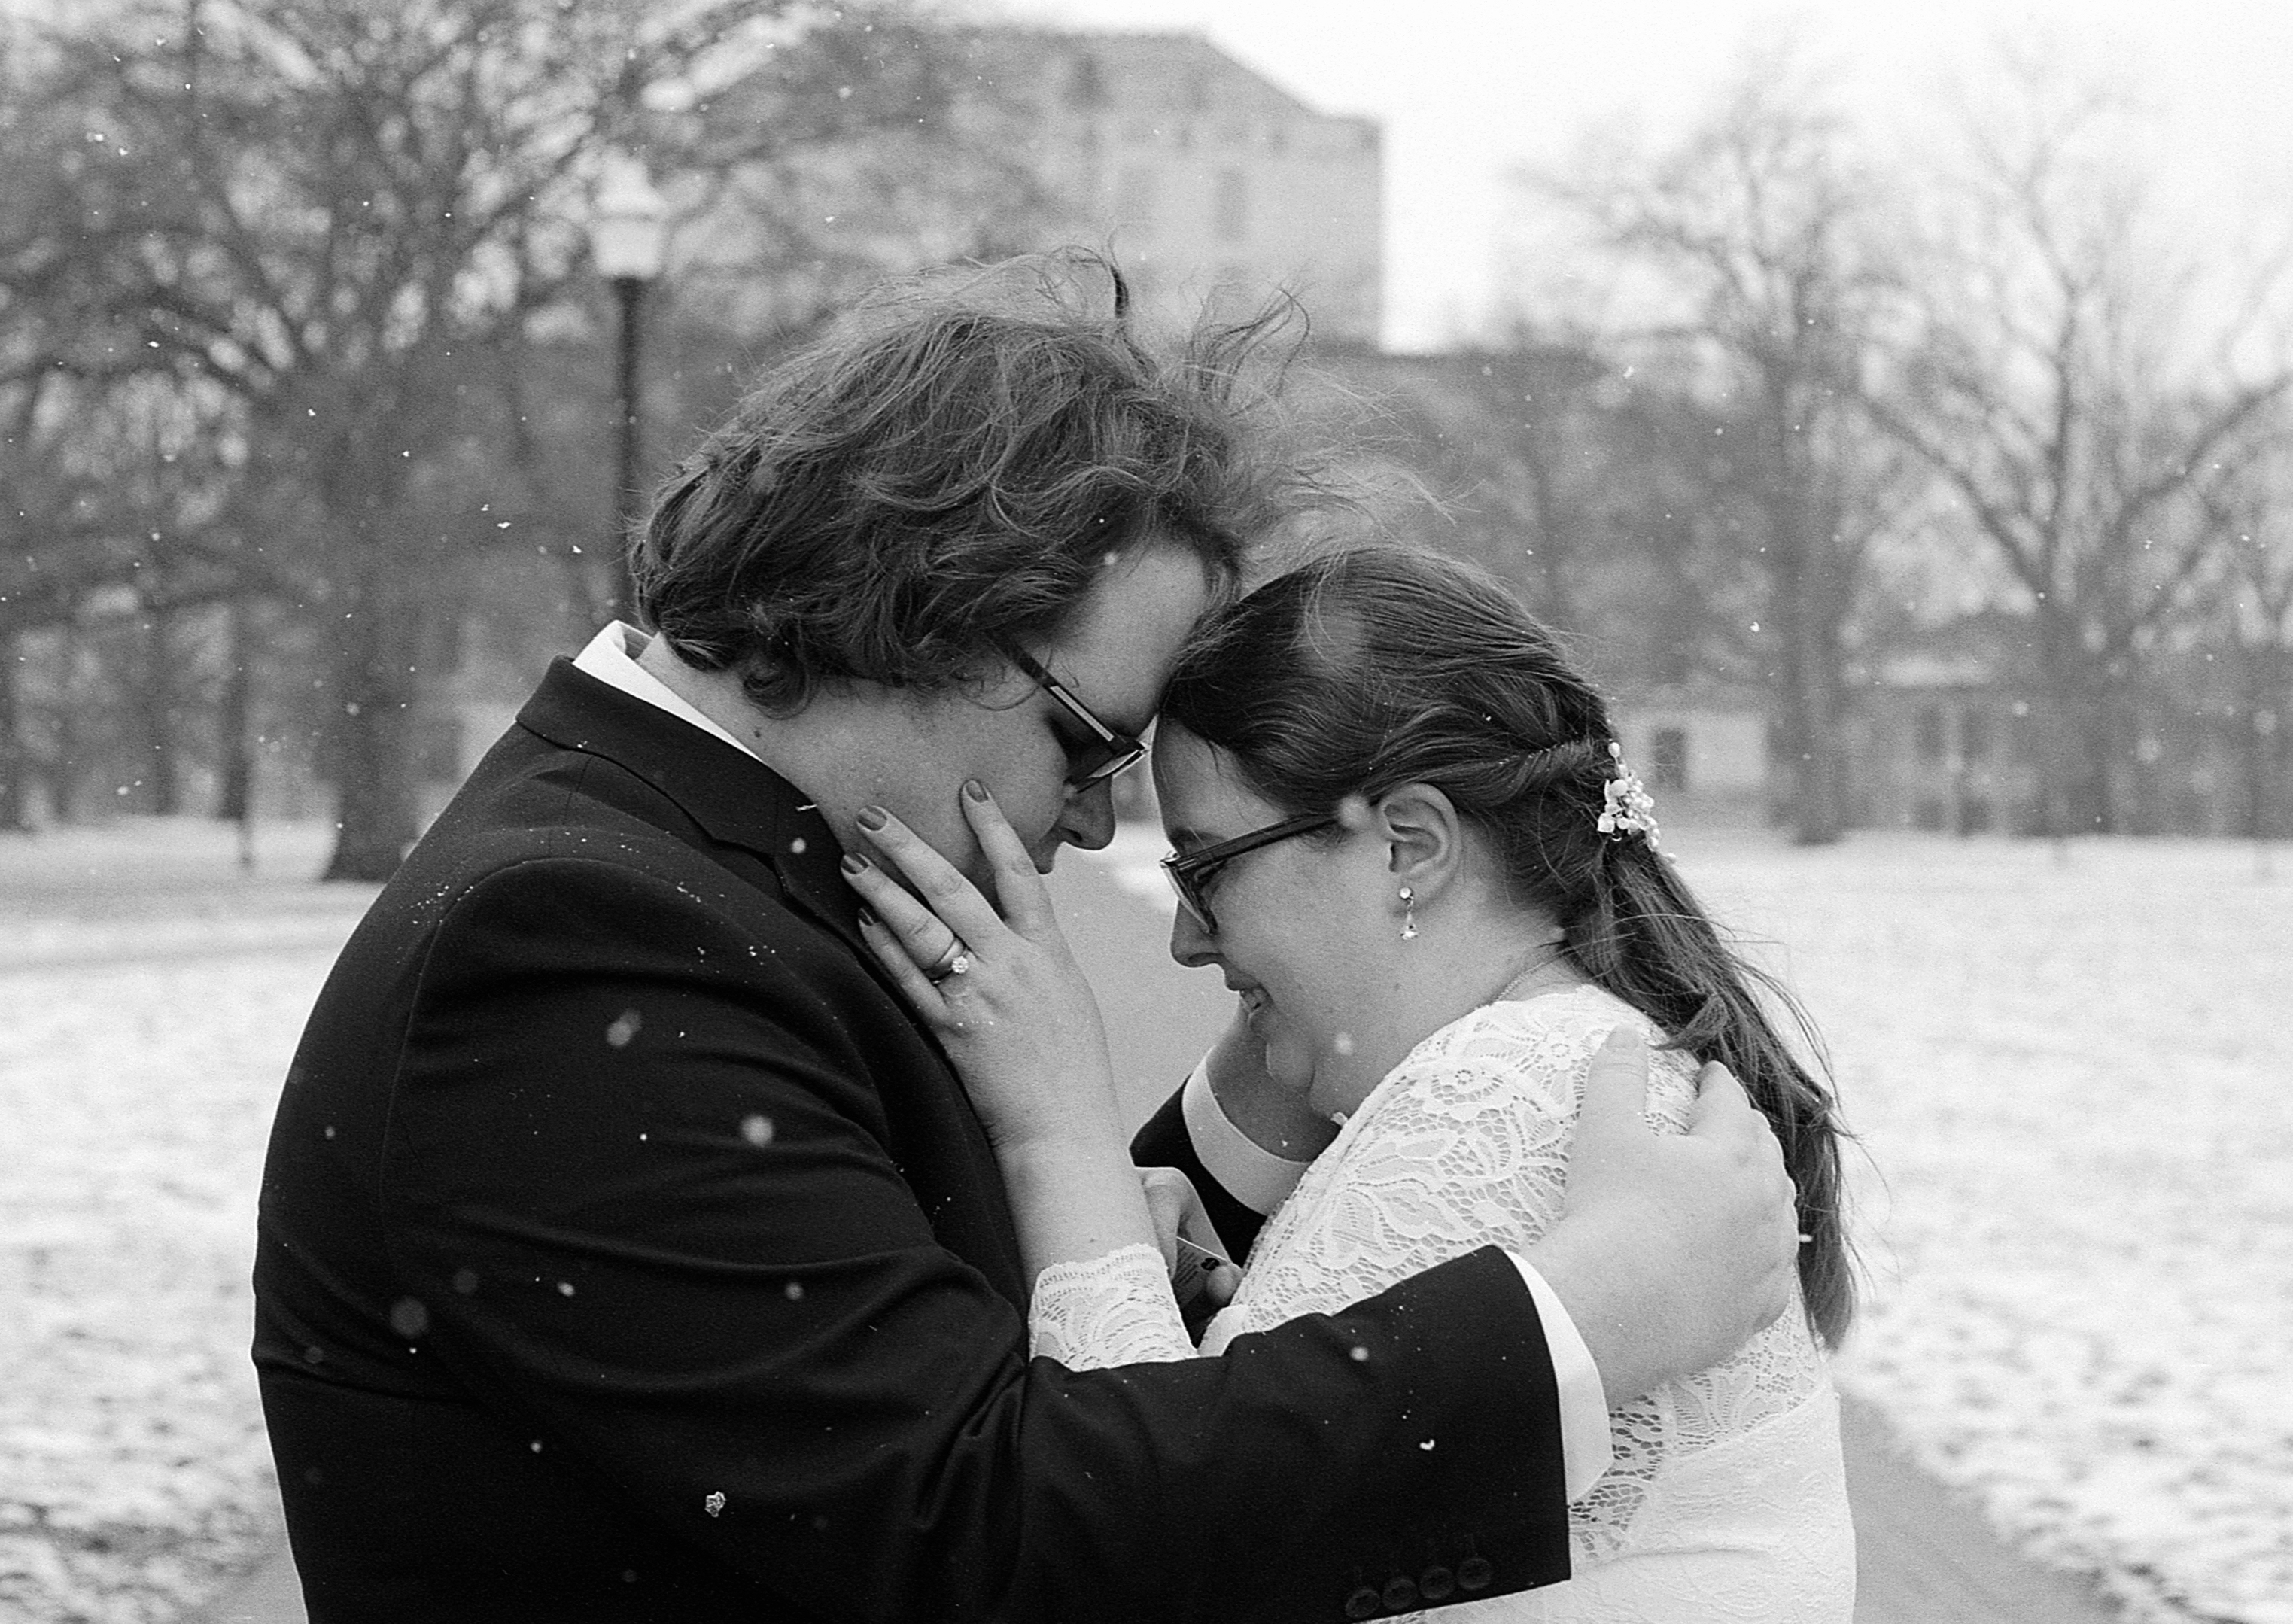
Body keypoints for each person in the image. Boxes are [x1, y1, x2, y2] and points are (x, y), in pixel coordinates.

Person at [253, 254, 1799, 1622]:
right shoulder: (569, 945)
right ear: (912, 605)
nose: (1089, 824)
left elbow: (917, 1353)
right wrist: (1584, 1314)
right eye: (1087, 739)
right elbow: (983, 1532)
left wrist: (1228, 1129)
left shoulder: (697, 879)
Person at [847, 546, 1856, 1618]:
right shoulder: (1576, 1055)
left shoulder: (1505, 1093)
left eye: (1206, 867)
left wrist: (1055, 1125)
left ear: (1408, 846)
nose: (1188, 938)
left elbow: (1144, 1545)